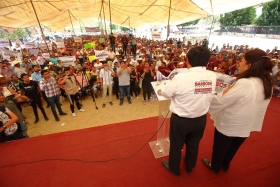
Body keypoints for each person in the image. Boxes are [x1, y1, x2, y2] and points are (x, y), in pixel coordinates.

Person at [202, 49, 273, 174]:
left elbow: (221, 101)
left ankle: (215, 166)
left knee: (220, 147)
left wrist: (210, 96)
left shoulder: (245, 83)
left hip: (231, 123)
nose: (239, 63)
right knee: (234, 147)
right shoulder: (267, 82)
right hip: (246, 124)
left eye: (242, 61)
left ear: (249, 65)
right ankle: (225, 164)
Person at [158, 46, 217, 175]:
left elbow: (167, 93)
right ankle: (190, 165)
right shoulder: (212, 76)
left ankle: (174, 168)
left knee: (176, 145)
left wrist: (162, 90)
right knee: (193, 144)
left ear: (187, 60)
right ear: (207, 61)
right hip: (200, 118)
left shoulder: (181, 78)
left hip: (181, 120)